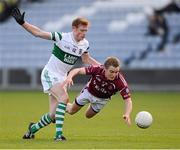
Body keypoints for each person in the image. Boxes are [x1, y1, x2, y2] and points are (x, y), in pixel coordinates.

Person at [11, 7, 100, 141]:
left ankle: (32, 129)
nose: (84, 34)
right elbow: (39, 33)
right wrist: (23, 23)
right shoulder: (62, 37)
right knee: (64, 99)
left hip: (62, 78)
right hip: (50, 74)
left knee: (53, 115)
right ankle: (58, 136)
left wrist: (103, 67)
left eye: (86, 31)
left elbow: (86, 60)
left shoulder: (85, 44)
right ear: (74, 28)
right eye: (82, 30)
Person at [63, 57, 132, 125]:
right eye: (111, 71)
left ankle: (91, 104)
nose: (114, 75)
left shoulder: (120, 81)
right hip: (88, 92)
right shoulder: (98, 69)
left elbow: (128, 100)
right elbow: (77, 70)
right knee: (71, 111)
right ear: (105, 68)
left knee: (88, 116)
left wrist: (127, 114)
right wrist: (69, 77)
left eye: (116, 72)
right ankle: (59, 105)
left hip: (102, 100)